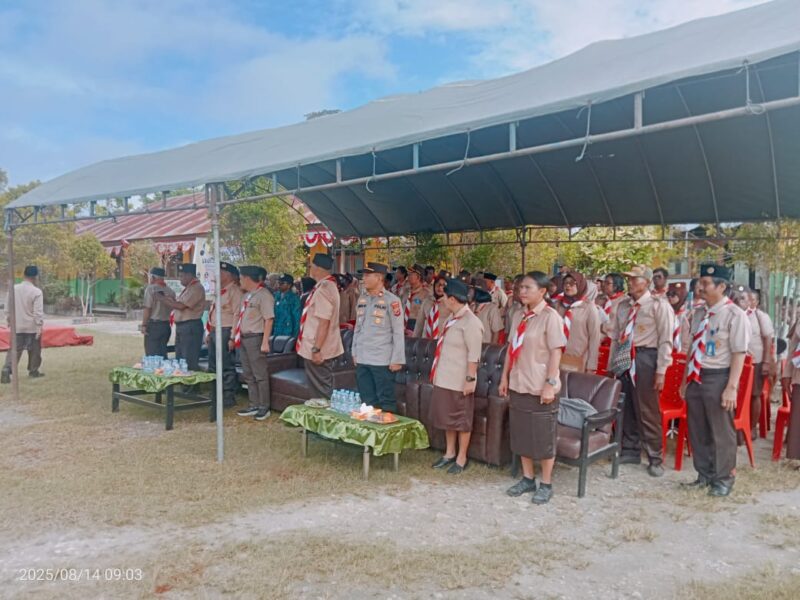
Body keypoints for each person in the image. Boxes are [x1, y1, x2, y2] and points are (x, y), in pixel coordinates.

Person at [681, 264, 749, 496]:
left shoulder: (734, 315)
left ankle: (723, 478)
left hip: (718, 377)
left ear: (721, 286)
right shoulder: (700, 313)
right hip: (696, 376)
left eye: (706, 283)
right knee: (698, 429)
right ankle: (704, 474)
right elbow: (692, 348)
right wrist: (685, 380)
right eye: (700, 282)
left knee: (721, 431)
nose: (700, 287)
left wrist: (731, 387)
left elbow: (739, 353)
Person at [499, 271, 566, 505]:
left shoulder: (550, 317)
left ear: (543, 291)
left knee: (543, 436)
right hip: (519, 382)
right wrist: (504, 378)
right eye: (521, 287)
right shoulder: (520, 315)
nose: (522, 291)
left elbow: (556, 352)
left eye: (528, 287)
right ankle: (528, 478)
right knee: (522, 433)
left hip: (540, 386)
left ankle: (546, 483)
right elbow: (511, 349)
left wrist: (550, 384)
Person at [608, 265, 674, 477]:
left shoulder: (658, 305)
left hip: (646, 357)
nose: (630, 282)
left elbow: (666, 339)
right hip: (624, 356)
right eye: (629, 279)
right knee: (625, 405)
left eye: (635, 279)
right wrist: (612, 365)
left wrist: (661, 370)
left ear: (646, 282)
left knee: (647, 409)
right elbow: (616, 336)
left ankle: (655, 456)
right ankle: (630, 449)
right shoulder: (623, 305)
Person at [429, 279, 484, 475]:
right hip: (445, 377)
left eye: (444, 296)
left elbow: (474, 355)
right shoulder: (452, 319)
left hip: (460, 380)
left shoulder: (471, 322)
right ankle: (449, 452)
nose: (443, 299)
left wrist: (470, 379)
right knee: (447, 418)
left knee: (461, 420)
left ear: (452, 299)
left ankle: (462, 458)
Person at [351, 263, 405, 411]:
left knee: (385, 400)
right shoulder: (362, 299)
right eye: (364, 275)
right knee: (367, 401)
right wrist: (354, 351)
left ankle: (388, 426)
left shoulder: (392, 300)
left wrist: (397, 359)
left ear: (379, 278)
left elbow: (398, 332)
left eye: (367, 275)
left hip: (381, 359)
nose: (364, 278)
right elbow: (358, 328)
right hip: (362, 357)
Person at [297, 254, 344, 397]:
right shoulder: (327, 286)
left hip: (319, 347)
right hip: (320, 344)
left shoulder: (324, 289)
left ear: (317, 268)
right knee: (319, 388)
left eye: (311, 266)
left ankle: (323, 411)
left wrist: (316, 349)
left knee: (320, 391)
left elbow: (324, 322)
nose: (310, 269)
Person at [233, 266, 275, 421]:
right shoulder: (247, 296)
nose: (239, 281)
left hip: (256, 338)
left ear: (248, 278)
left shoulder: (264, 295)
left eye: (241, 278)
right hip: (244, 338)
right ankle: (253, 404)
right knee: (248, 374)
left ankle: (264, 407)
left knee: (260, 374)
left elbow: (268, 319)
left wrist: (265, 342)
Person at [734, 286, 775, 440]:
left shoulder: (760, 316)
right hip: (737, 362)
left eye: (751, 299)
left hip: (755, 362)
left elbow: (768, 339)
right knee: (736, 395)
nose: (746, 301)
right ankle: (737, 428)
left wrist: (766, 362)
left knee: (754, 395)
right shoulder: (735, 315)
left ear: (756, 302)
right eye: (742, 298)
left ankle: (752, 428)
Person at [206, 262, 243, 413]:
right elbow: (213, 313)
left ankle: (228, 396)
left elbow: (237, 315)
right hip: (215, 330)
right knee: (213, 365)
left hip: (226, 330)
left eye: (220, 273)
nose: (217, 276)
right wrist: (209, 331)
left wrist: (233, 337)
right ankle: (215, 393)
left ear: (228, 275)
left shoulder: (235, 291)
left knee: (226, 365)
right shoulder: (219, 291)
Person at [158, 263, 205, 371]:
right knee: (180, 358)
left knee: (188, 360)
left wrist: (162, 299)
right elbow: (178, 303)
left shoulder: (196, 288)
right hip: (183, 327)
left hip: (190, 326)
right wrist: (168, 298)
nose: (180, 279)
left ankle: (190, 381)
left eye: (182, 276)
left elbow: (181, 306)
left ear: (189, 275)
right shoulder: (189, 288)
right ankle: (182, 379)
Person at [2, 265, 44, 384]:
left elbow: (7, 307)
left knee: (14, 350)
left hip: (17, 325)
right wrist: (39, 326)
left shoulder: (13, 289)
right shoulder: (36, 292)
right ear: (35, 277)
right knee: (35, 350)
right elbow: (38, 312)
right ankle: (33, 370)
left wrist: (8, 320)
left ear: (24, 275)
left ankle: (7, 369)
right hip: (31, 326)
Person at [556, 271, 601, 373]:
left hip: (577, 359)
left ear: (580, 285)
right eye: (565, 283)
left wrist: (591, 366)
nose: (568, 286)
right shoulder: (558, 305)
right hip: (556, 357)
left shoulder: (589, 308)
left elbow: (594, 338)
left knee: (572, 383)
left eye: (572, 283)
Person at [140, 267, 175, 358]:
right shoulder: (170, 291)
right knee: (162, 353)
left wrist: (144, 325)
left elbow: (147, 308)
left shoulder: (150, 289)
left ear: (153, 277)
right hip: (166, 326)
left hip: (154, 326)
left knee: (152, 356)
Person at [403, 264, 432, 332]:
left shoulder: (426, 294)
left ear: (418, 277)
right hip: (402, 324)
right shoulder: (404, 291)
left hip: (416, 326)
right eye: (408, 274)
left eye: (411, 274)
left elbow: (427, 316)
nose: (408, 276)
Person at [666, 281, 690, 353]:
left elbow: (687, 340)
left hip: (681, 353)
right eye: (668, 294)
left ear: (681, 295)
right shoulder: (665, 312)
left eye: (673, 294)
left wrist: (683, 354)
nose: (670, 297)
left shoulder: (689, 312)